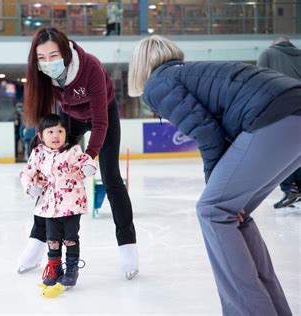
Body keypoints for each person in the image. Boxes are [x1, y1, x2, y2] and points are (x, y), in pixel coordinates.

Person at [128, 35, 300, 316]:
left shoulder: (158, 84)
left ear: (139, 67)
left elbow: (208, 134)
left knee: (213, 209)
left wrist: (215, 185)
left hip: (274, 117)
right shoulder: (192, 73)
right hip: (289, 113)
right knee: (233, 212)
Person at [18, 27, 139, 280]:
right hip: (69, 119)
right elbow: (45, 119)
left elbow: (100, 124)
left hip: (102, 116)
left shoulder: (90, 67)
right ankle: (37, 242)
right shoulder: (42, 76)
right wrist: (39, 166)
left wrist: (88, 156)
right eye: (41, 58)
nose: (48, 62)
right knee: (51, 175)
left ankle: (128, 247)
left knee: (111, 178)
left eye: (53, 55)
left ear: (64, 52)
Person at [20, 114, 97, 287]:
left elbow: (89, 163)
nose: (56, 136)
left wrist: (87, 170)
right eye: (51, 131)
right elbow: (26, 173)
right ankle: (55, 268)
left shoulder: (73, 150)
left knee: (70, 238)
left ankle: (71, 269)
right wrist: (30, 187)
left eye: (60, 131)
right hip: (48, 206)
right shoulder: (38, 153)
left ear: (65, 133)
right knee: (52, 240)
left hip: (71, 204)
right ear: (41, 135)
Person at [257, 36, 301, 209]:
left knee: (281, 152)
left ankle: (290, 189)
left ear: (274, 44)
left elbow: (258, 80)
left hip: (280, 107)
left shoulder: (268, 53)